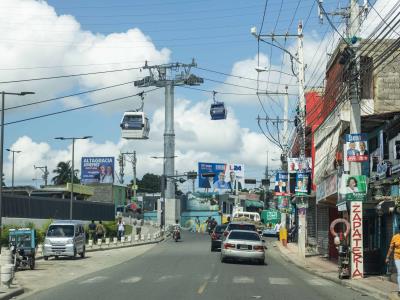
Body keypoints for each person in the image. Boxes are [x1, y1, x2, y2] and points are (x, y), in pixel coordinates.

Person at [386, 228, 400, 297]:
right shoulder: (395, 237)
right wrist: (387, 257)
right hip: (397, 257)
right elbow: (391, 248)